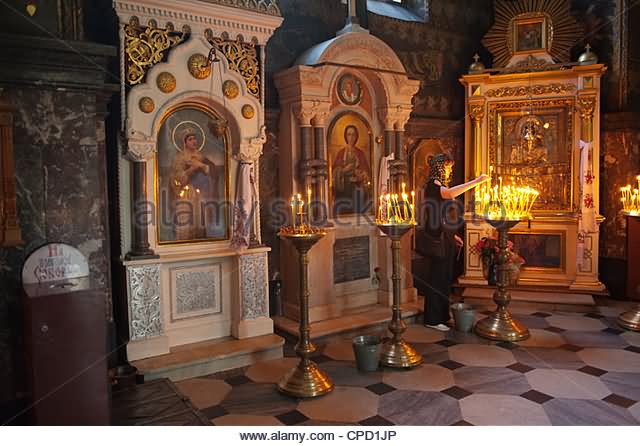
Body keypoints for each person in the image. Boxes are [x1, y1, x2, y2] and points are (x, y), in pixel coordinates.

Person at [421, 154, 490, 331]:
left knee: (445, 278)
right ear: (439, 167)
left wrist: (453, 236)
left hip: (445, 236)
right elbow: (450, 194)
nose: (450, 169)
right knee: (437, 278)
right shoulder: (433, 185)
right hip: (438, 237)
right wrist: (477, 181)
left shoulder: (441, 185)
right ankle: (433, 319)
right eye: (447, 166)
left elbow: (444, 214)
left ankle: (442, 316)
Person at [171, 127, 217, 240]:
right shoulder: (179, 158)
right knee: (186, 223)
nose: (194, 141)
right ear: (185, 142)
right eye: (190, 139)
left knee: (200, 222)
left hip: (201, 195)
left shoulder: (201, 157)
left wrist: (201, 166)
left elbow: (214, 171)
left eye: (195, 139)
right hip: (186, 195)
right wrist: (192, 168)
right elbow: (176, 178)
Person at [332, 125, 371, 214]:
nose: (351, 137)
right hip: (343, 188)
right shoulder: (341, 153)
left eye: (353, 134)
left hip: (356, 188)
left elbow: (366, 171)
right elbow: (334, 172)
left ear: (356, 136)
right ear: (345, 136)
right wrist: (344, 170)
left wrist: (361, 174)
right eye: (349, 134)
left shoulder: (360, 153)